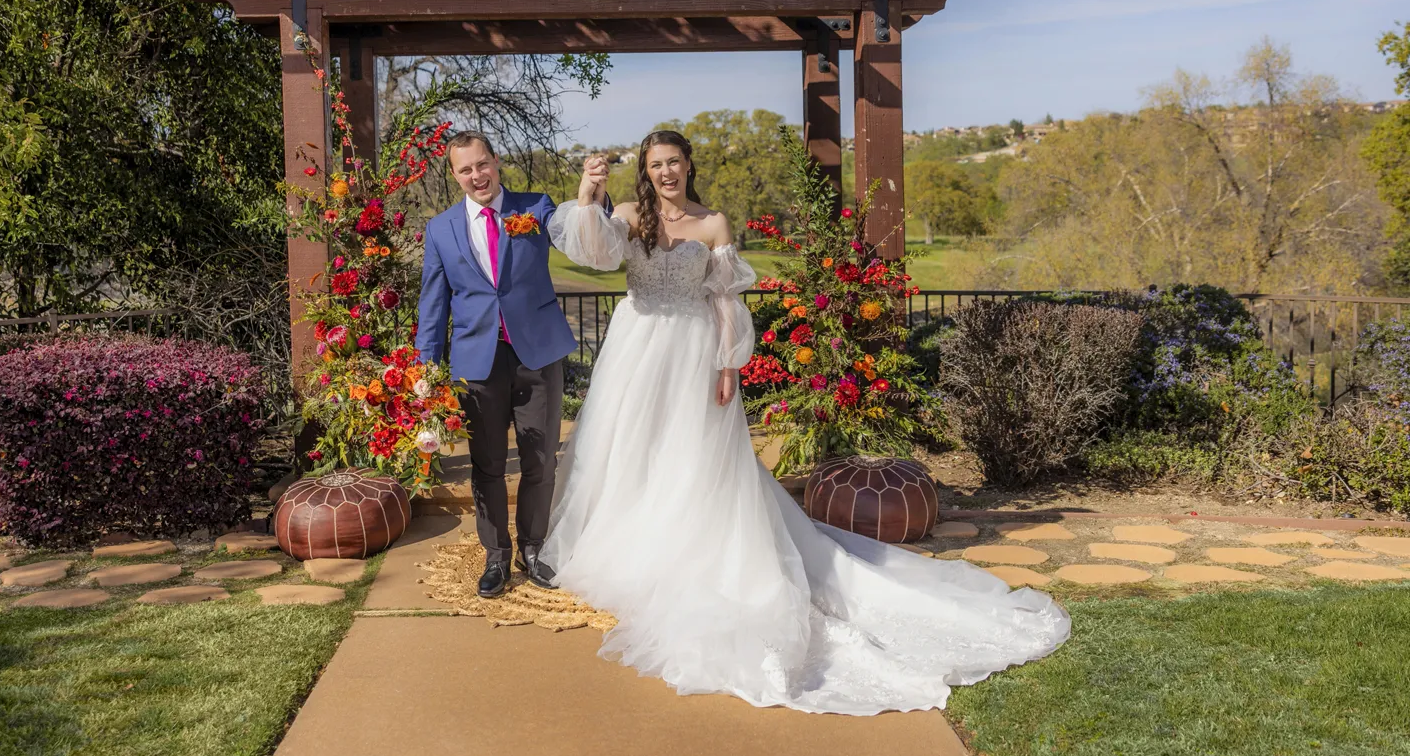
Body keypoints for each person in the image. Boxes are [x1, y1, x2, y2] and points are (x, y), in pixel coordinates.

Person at [541, 128, 1070, 715]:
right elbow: (591, 252)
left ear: (689, 164)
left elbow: (725, 300)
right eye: (655, 164)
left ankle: (686, 551)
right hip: (637, 349)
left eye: (674, 162)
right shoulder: (627, 214)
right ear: (645, 170)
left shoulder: (713, 223)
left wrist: (728, 365)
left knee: (690, 455)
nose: (666, 172)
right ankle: (633, 546)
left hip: (693, 352)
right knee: (630, 448)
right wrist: (588, 191)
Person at [415, 131, 577, 598]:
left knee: (540, 461)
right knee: (486, 466)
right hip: (476, 363)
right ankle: (497, 557)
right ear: (454, 175)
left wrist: (594, 198)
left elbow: (579, 232)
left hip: (537, 354)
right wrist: (426, 374)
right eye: (465, 169)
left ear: (496, 161)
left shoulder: (535, 207)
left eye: (482, 164)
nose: (477, 175)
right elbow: (433, 306)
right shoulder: (440, 229)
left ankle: (533, 549)